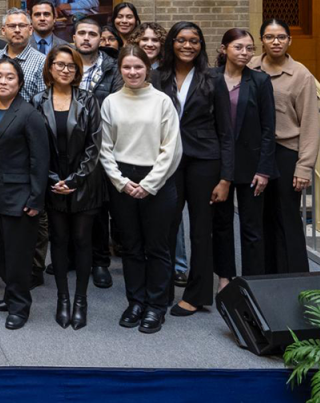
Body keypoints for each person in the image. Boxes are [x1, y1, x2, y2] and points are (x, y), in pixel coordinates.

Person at [100, 45, 182, 334]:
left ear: (148, 68)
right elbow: (105, 148)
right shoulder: (110, 102)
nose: (132, 72)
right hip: (123, 180)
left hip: (157, 180)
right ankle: (135, 301)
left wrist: (149, 184)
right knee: (131, 247)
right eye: (127, 67)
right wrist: (121, 182)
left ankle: (156, 306)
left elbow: (171, 149)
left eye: (138, 67)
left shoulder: (162, 102)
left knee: (157, 247)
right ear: (120, 70)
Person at [156, 22, 233, 318]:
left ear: (201, 45)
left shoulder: (213, 79)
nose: (188, 45)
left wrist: (226, 177)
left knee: (202, 230)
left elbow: (226, 132)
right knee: (166, 225)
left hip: (205, 161)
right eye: (182, 40)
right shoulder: (157, 77)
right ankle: (161, 288)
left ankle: (198, 295)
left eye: (195, 41)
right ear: (171, 43)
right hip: (168, 160)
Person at [0, 58, 49, 330]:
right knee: (3, 254)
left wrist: (36, 199)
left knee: (18, 256)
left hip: (21, 197)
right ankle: (9, 295)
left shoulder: (29, 114)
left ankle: (20, 306)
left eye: (9, 78)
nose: (3, 82)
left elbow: (40, 161)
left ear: (19, 83)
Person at [33, 46, 103, 330]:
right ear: (50, 68)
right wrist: (52, 180)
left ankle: (81, 301)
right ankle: (63, 299)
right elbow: (36, 147)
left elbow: (94, 145)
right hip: (52, 184)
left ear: (77, 71)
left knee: (83, 242)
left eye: (71, 66)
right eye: (59, 65)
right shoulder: (38, 101)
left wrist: (75, 180)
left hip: (84, 184)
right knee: (59, 242)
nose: (65, 70)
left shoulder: (88, 100)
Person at [249, 19, 320, 274]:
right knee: (260, 217)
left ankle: (294, 276)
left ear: (290, 40)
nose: (275, 41)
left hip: (286, 153)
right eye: (269, 37)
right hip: (256, 153)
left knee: (287, 217)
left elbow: (311, 123)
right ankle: (266, 275)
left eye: (281, 37)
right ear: (262, 41)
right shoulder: (250, 67)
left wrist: (304, 167)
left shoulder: (300, 74)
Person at [213, 29, 276, 288]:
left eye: (250, 48)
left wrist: (264, 170)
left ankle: (253, 282)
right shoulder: (210, 78)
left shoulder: (260, 81)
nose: (245, 53)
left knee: (252, 228)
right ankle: (225, 277)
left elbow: (268, 129)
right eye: (239, 47)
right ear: (224, 48)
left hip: (252, 166)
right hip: (217, 165)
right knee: (221, 224)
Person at [73, 16, 121, 289]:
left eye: (93, 33)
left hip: (101, 145)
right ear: (74, 37)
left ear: (100, 39)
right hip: (67, 144)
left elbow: (115, 108)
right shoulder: (62, 63)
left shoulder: (112, 69)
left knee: (98, 208)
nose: (87, 38)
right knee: (66, 201)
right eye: (82, 33)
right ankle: (71, 256)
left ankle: (100, 262)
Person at [0, 8, 46, 103]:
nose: (17, 30)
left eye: (22, 26)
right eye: (12, 26)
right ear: (3, 31)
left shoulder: (42, 61)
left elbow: (43, 101)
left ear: (30, 30)